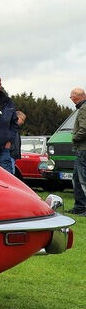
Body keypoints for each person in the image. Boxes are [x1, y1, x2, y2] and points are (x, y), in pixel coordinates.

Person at [69, 87, 86, 215]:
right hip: (81, 149)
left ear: (77, 96)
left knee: (82, 179)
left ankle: (84, 208)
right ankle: (79, 207)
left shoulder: (84, 108)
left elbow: (84, 128)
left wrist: (74, 138)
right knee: (76, 178)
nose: (71, 98)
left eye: (71, 96)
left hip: (83, 149)